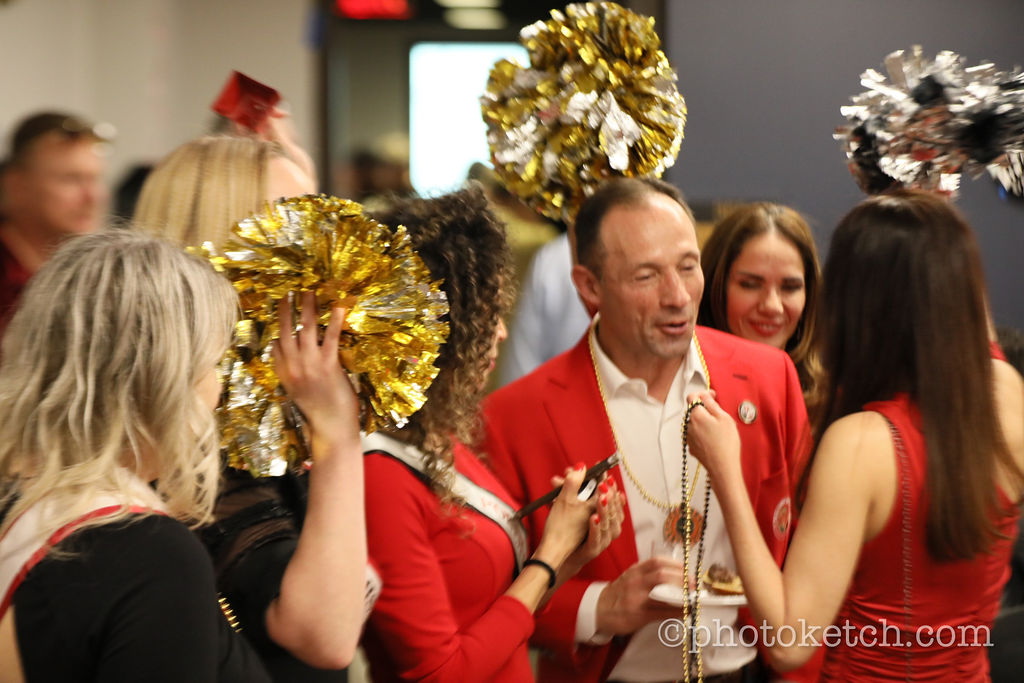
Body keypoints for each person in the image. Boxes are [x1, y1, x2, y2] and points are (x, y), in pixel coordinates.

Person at [484, 177, 817, 682]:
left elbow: (807, 561)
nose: (678, 296)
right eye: (646, 276)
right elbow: (490, 602)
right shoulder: (516, 416)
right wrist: (600, 606)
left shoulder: (769, 378)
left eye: (688, 266)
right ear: (589, 287)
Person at [685, 189, 1024, 680]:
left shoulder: (862, 444)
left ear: (857, 302)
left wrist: (725, 473)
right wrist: (935, 229)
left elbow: (789, 643)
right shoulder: (1007, 390)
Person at [361, 186, 625, 682]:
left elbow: (495, 612)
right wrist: (550, 554)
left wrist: (569, 554)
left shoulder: (442, 439)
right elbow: (442, 673)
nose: (501, 332)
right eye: (487, 317)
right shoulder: (380, 474)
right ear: (439, 332)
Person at [135, 133, 367, 682]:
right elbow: (326, 637)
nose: (322, 252)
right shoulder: (198, 431)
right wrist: (338, 433)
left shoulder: (264, 404)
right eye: (295, 226)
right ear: (224, 249)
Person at [0, 231, 269, 682]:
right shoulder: (147, 552)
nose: (218, 388)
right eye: (214, 364)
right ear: (162, 380)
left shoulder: (18, 498)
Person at [698, 202, 823, 407]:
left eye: (790, 287)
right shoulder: (678, 392)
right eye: (750, 285)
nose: (772, 306)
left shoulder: (833, 405)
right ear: (714, 287)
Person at [0, 111, 109, 335]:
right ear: (16, 185)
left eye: (95, 179)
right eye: (71, 179)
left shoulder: (99, 276)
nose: (92, 197)